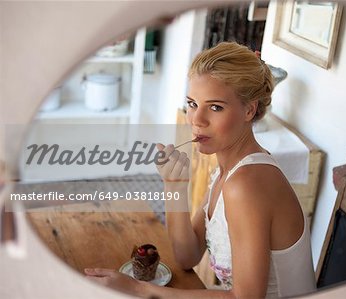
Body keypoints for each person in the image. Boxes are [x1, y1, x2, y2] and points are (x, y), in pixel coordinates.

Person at [85, 42, 316, 298]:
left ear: (249, 110)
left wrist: (139, 288)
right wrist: (174, 184)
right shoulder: (227, 170)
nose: (197, 119)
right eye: (193, 104)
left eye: (215, 107)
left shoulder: (247, 183)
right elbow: (187, 256)